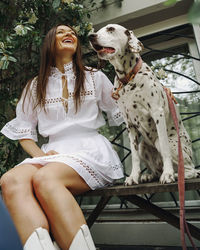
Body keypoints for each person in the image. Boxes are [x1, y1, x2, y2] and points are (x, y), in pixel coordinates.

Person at [0, 24, 124, 250]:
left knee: (45, 179)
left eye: (73, 33)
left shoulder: (94, 77)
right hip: (52, 154)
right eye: (61, 32)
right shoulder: (35, 86)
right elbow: (24, 131)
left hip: (89, 150)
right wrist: (41, 155)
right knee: (10, 180)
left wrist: (158, 93)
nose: (69, 34)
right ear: (49, 43)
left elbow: (125, 109)